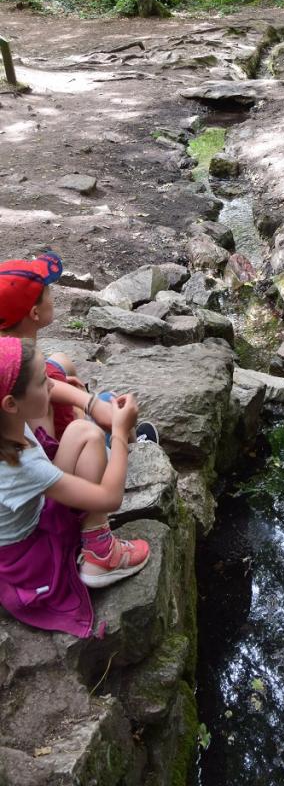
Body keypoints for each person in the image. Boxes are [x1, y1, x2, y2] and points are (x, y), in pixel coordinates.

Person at [0, 337, 150, 638]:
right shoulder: (22, 467)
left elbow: (56, 388)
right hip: (31, 554)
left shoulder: (6, 424)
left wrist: (86, 401)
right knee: (95, 437)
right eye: (43, 383)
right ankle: (101, 554)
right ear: (11, 403)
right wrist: (120, 432)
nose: (52, 387)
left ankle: (96, 545)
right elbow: (110, 498)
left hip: (33, 510)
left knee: (85, 432)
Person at [0, 252, 157, 445]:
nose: (53, 296)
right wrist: (83, 409)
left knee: (61, 360)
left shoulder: (9, 356)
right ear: (35, 313)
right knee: (111, 400)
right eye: (48, 292)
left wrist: (67, 389)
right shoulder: (29, 394)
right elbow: (52, 439)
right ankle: (134, 452)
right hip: (72, 448)